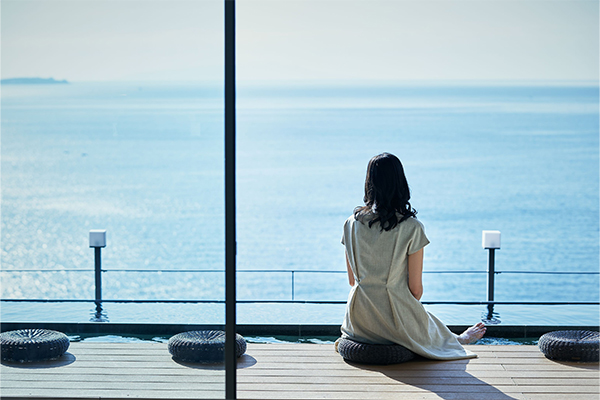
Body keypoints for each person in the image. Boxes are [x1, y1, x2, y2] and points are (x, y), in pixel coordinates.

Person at [340, 152, 486, 360]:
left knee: (417, 312)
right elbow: (415, 291)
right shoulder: (411, 227)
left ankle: (454, 337)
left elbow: (352, 280)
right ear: (401, 183)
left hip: (357, 321)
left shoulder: (350, 224)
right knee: (418, 311)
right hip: (393, 322)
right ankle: (457, 339)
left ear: (368, 182)